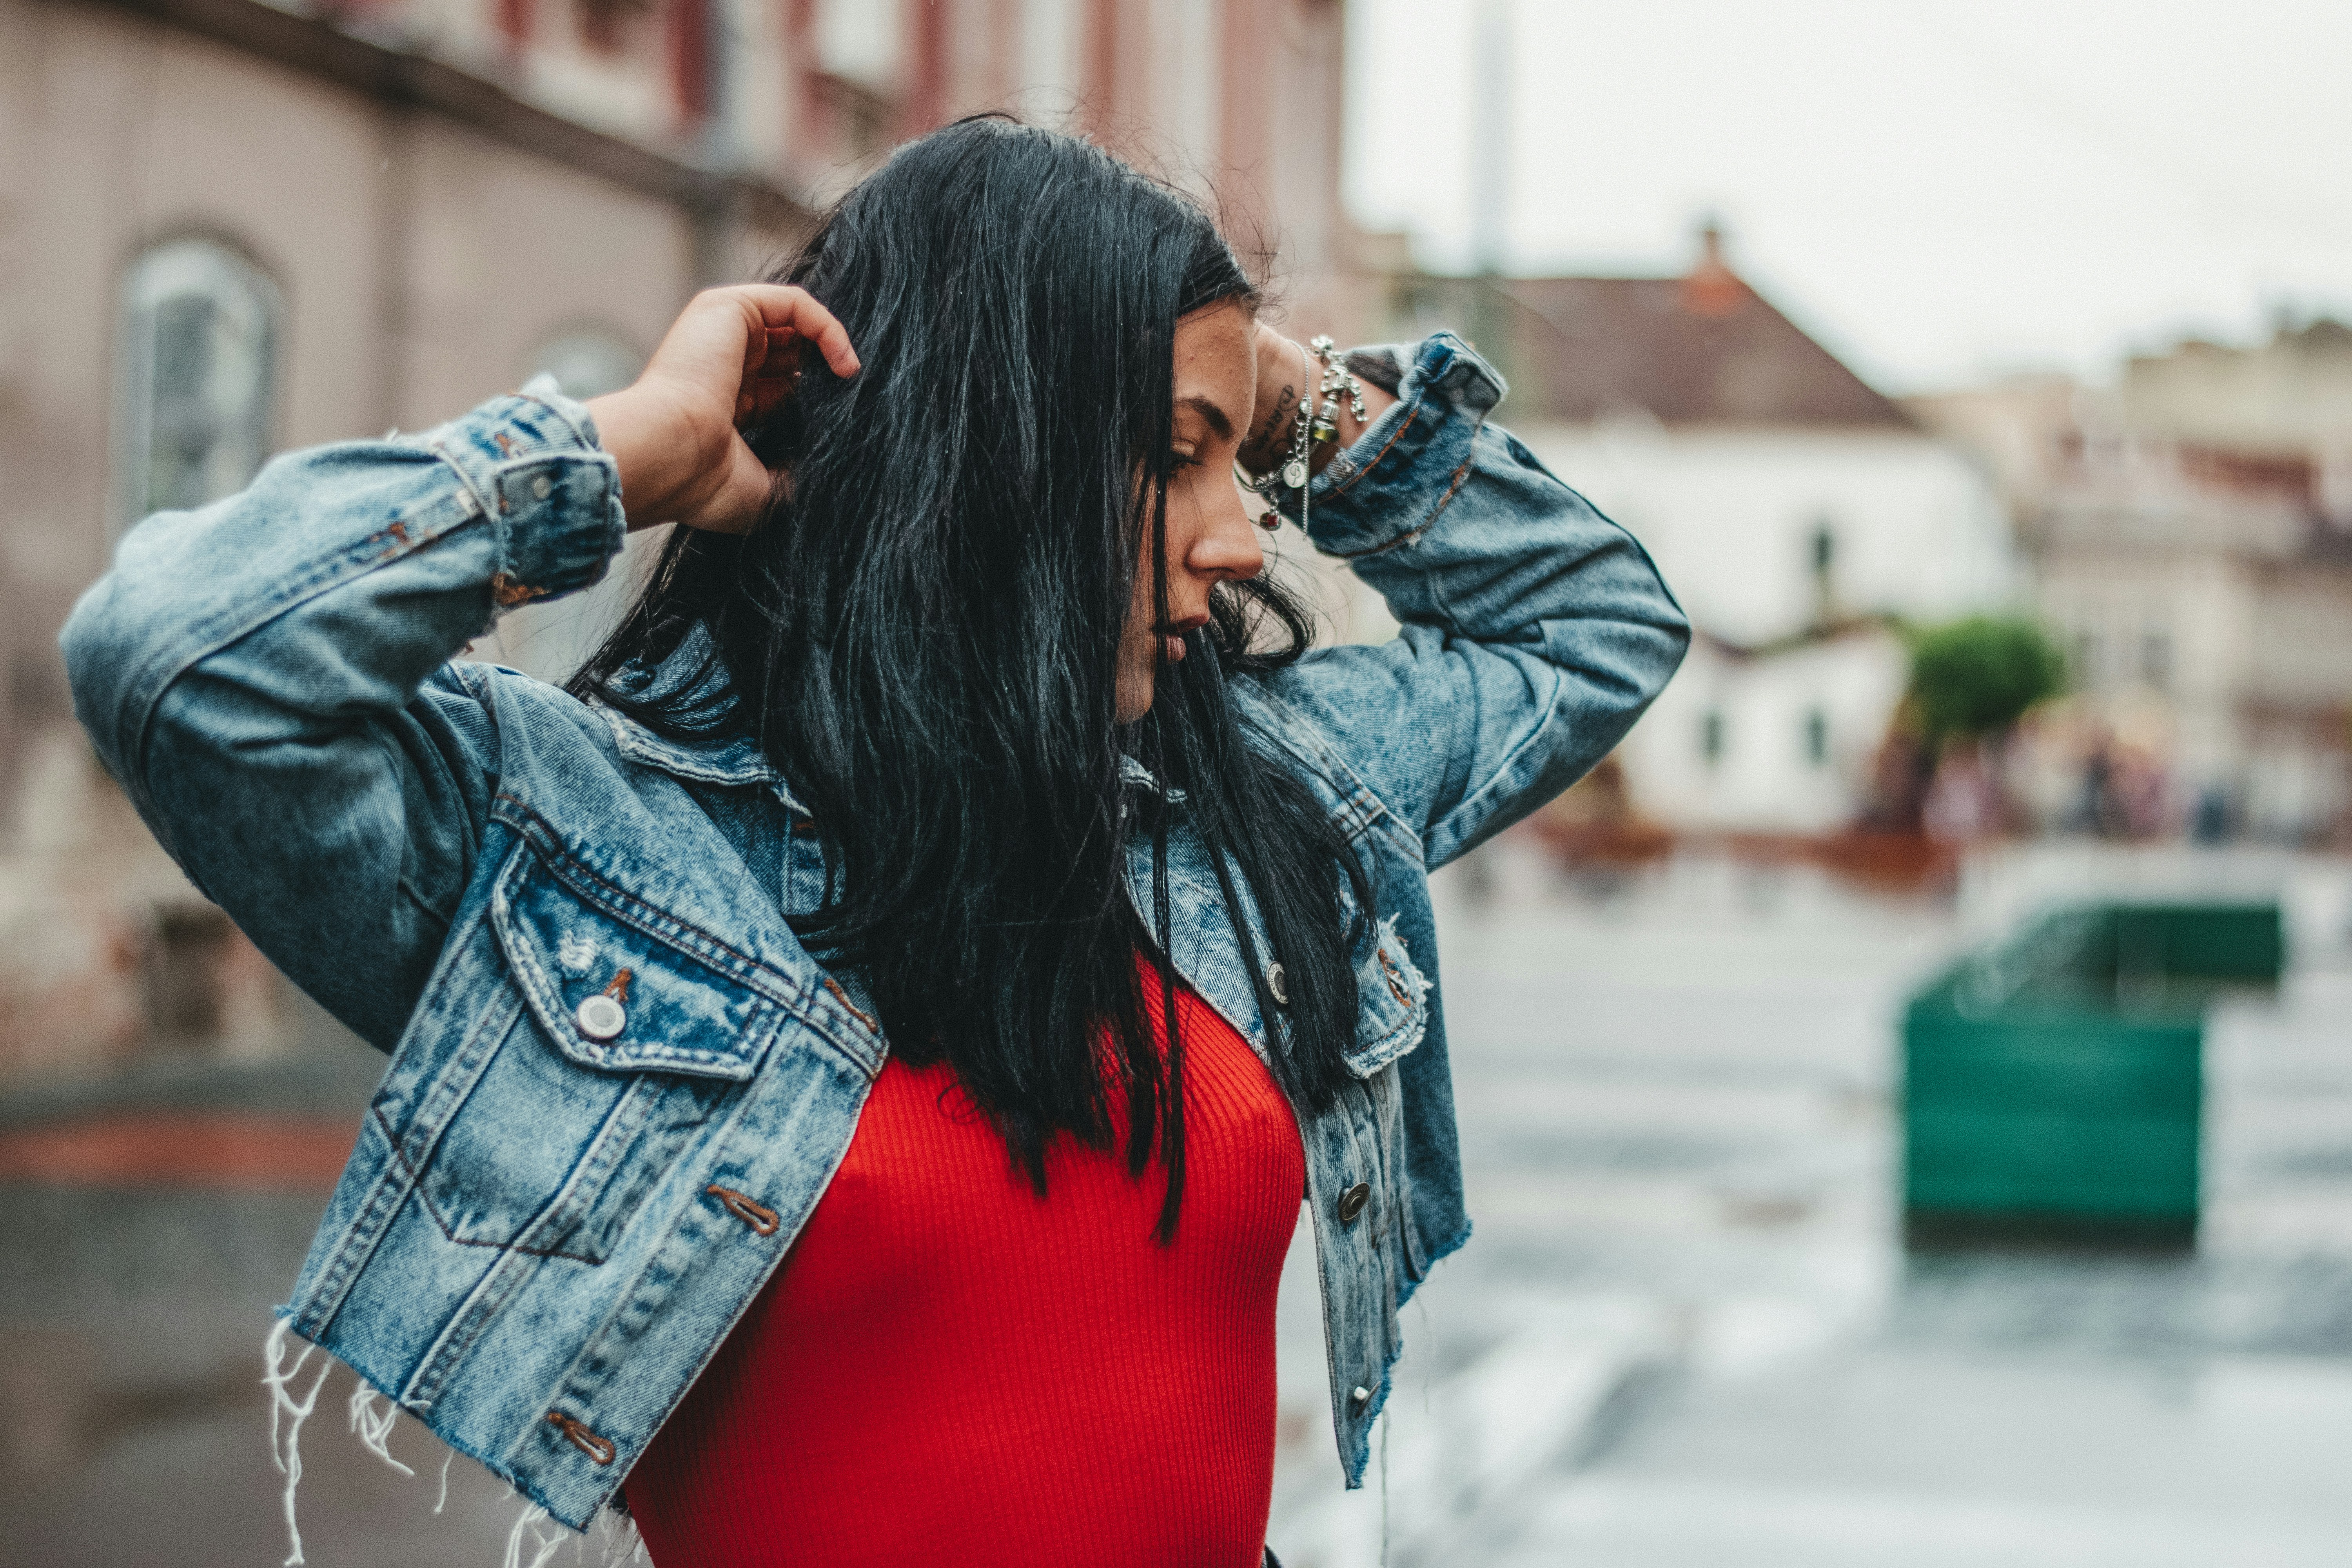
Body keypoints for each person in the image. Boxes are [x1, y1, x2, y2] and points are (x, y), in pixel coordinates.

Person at [61, 118, 1687, 1566]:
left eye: (1232, 459)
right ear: (999, 460)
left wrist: (1274, 395)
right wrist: (629, 450)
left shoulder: (1258, 795)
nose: (1240, 529)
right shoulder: (600, 846)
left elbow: (1600, 620)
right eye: (1177, 456)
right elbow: (184, 660)